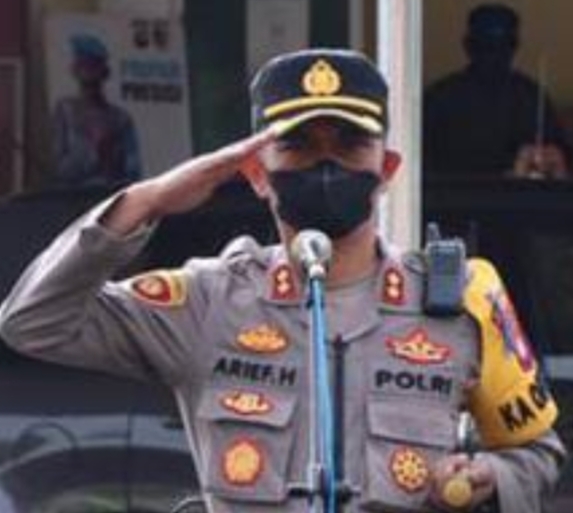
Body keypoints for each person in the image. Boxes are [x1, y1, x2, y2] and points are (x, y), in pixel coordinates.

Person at [0, 48, 566, 512]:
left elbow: (538, 456)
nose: (326, 165)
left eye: (349, 145)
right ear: (256, 172)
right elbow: (32, 321)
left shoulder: (459, 302)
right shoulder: (210, 301)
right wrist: (148, 201)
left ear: (386, 169)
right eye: (299, 146)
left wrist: (488, 477)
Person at [423, 3, 570, 179]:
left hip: (517, 194)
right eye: (486, 46)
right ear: (468, 46)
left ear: (514, 47)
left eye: (502, 47)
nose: (493, 55)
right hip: (449, 194)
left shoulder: (532, 98)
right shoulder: (439, 99)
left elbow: (557, 164)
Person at [52, 34, 142, 187]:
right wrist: (94, 150)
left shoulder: (121, 119)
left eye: (94, 67)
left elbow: (133, 171)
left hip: (110, 193)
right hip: (75, 195)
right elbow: (59, 169)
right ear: (75, 70)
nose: (90, 74)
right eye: (84, 66)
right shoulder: (65, 112)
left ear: (105, 72)